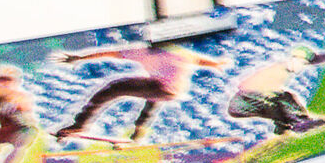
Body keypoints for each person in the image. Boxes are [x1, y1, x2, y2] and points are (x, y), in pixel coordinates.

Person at [52, 42, 228, 142]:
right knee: (153, 100)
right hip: (173, 91)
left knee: (114, 88)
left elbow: (110, 53)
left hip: (160, 87)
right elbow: (199, 60)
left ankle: (79, 125)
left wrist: (80, 58)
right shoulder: (182, 53)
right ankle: (139, 132)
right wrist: (216, 64)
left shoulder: (143, 52)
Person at [226, 46, 325, 135]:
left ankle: (287, 124)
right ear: (294, 59)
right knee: (281, 98)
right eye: (302, 63)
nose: (302, 67)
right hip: (240, 104)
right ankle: (297, 123)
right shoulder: (279, 70)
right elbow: (246, 87)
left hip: (245, 101)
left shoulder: (285, 69)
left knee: (281, 98)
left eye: (305, 64)